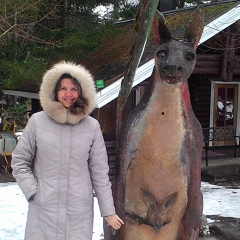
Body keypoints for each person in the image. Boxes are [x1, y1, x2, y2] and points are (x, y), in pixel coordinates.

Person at [11, 61, 124, 240]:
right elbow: (19, 161)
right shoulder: (37, 121)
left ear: (81, 92)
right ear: (55, 92)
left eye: (74, 89)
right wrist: (34, 192)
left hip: (78, 212)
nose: (68, 94)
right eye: (63, 88)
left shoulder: (92, 126)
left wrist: (108, 212)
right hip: (44, 211)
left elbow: (100, 172)